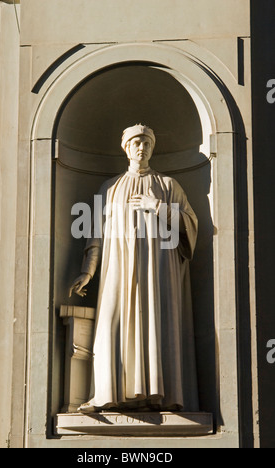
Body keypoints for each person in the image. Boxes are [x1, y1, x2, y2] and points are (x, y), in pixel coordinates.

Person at [69, 124, 199, 413]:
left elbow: (190, 226)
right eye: (136, 142)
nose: (142, 147)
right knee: (111, 322)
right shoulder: (111, 187)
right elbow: (95, 233)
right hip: (118, 267)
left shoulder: (168, 185)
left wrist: (159, 207)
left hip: (158, 270)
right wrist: (88, 270)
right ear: (126, 147)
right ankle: (106, 394)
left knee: (156, 323)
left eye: (147, 143)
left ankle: (157, 396)